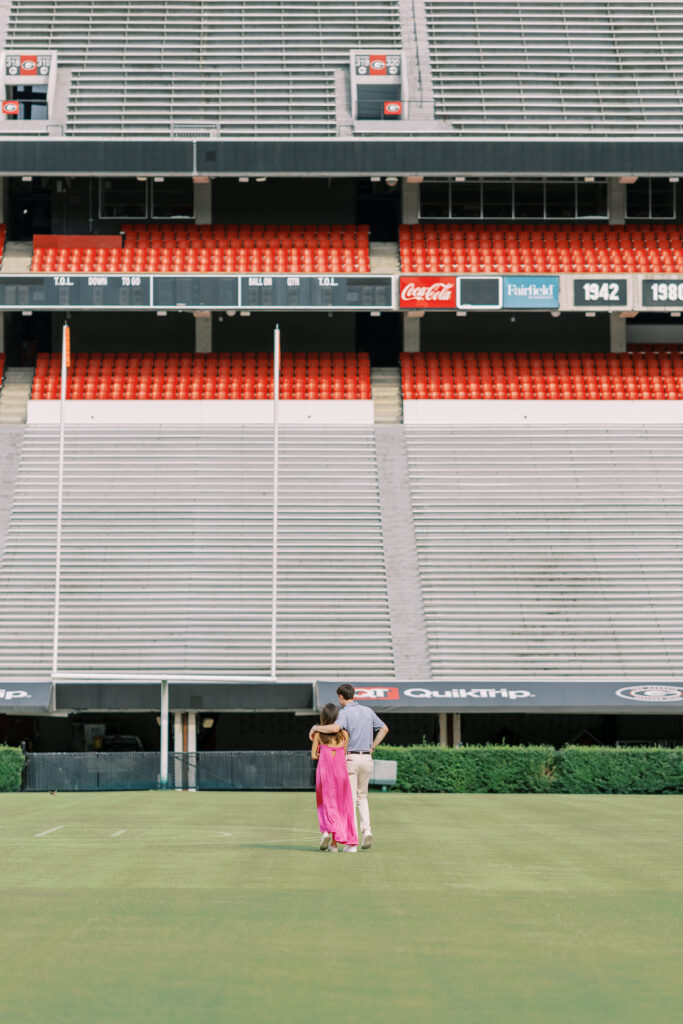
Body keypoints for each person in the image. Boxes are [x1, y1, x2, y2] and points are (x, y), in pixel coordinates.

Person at [309, 683, 389, 852]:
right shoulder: (368, 711)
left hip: (351, 757)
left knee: (349, 801)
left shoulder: (344, 713)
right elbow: (384, 729)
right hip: (367, 758)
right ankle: (366, 830)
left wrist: (315, 727)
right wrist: (372, 747)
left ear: (340, 697)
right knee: (363, 797)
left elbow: (335, 728)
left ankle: (351, 843)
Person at [311, 702, 358, 853]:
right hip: (340, 772)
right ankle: (334, 844)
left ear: (323, 717)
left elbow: (313, 755)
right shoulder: (344, 734)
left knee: (325, 802)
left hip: (324, 771)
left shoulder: (318, 734)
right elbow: (343, 753)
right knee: (340, 805)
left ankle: (326, 831)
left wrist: (321, 753)